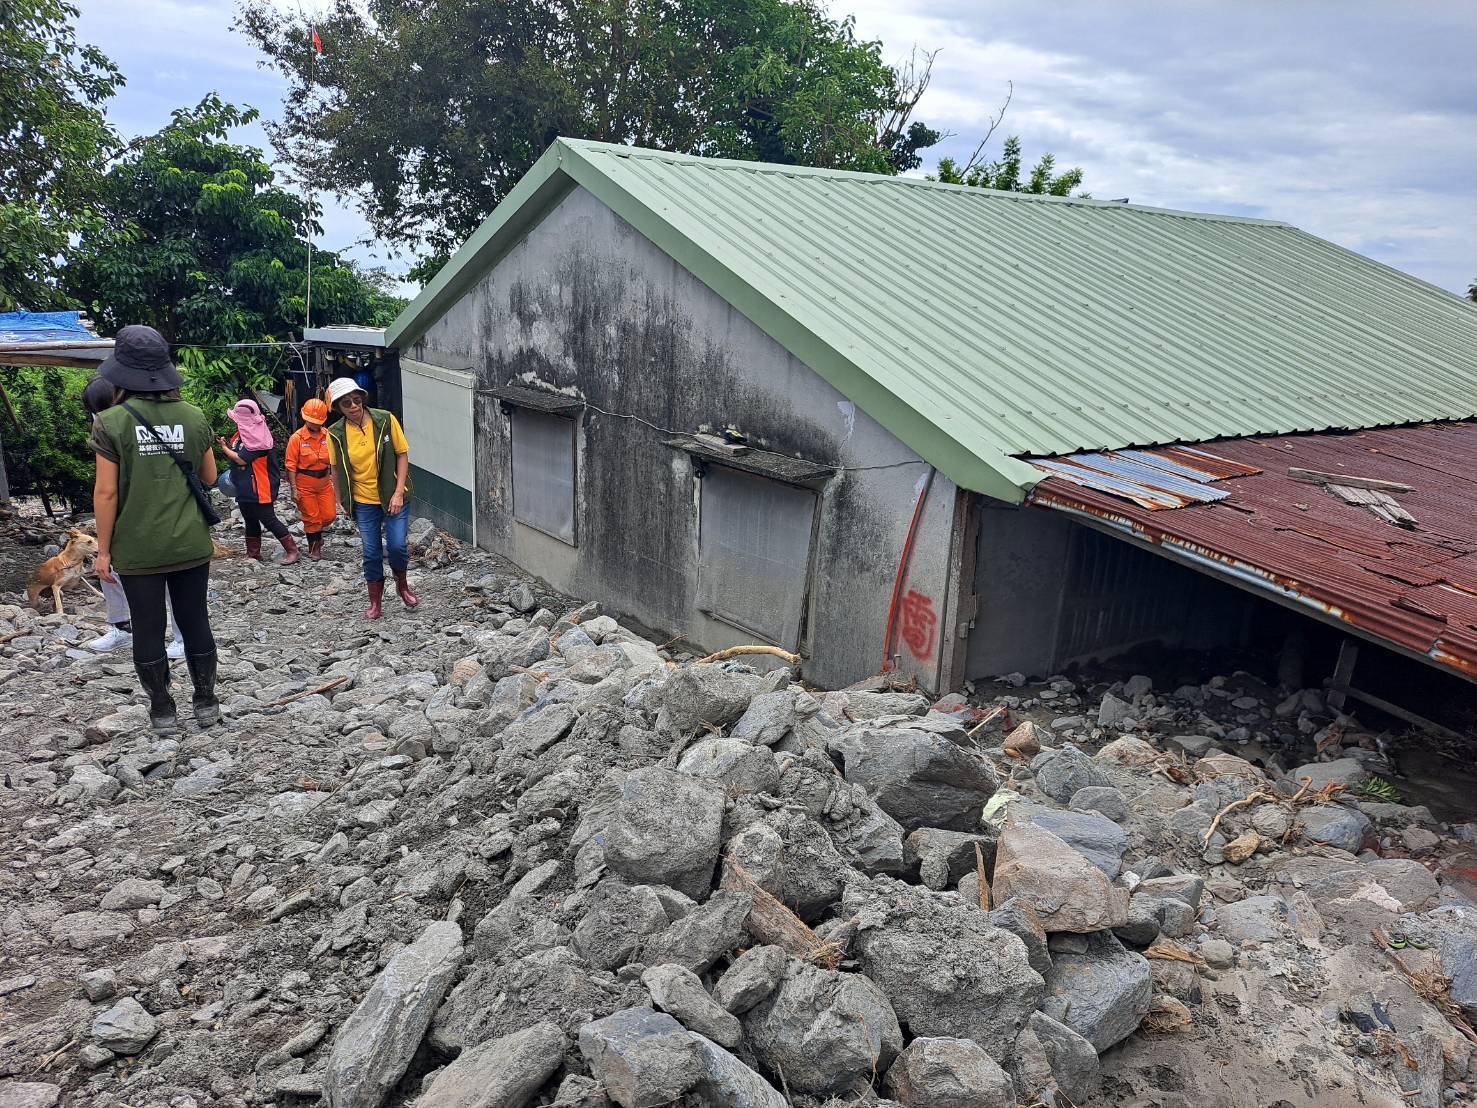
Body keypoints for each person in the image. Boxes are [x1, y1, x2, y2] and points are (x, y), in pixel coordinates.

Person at [90, 324, 221, 734]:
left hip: (137, 547)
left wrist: (104, 551)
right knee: (195, 619)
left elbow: (106, 493)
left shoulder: (109, 422)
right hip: (189, 542)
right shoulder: (193, 416)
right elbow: (211, 476)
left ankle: (163, 710)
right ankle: (206, 703)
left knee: (148, 627)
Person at [81, 376, 184, 658]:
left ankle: (181, 634)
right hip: (123, 516)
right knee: (110, 571)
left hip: (156, 512)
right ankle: (123, 627)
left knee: (168, 573)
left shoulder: (139, 425)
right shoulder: (107, 429)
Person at [324, 376, 418, 619]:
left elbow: (402, 454)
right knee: (371, 551)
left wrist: (398, 492)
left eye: (356, 400)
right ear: (338, 408)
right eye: (346, 403)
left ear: (363, 399)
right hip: (363, 500)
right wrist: (340, 499)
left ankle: (402, 585)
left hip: (392, 495)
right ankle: (375, 602)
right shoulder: (335, 433)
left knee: (397, 545)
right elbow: (335, 469)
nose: (353, 406)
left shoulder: (385, 420)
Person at [218, 398, 300, 565]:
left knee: (268, 518)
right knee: (249, 518)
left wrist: (225, 449)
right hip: (244, 486)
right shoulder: (242, 433)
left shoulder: (259, 438)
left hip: (260, 487)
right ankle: (253, 554)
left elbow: (242, 459)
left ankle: (293, 550)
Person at [284, 398, 336, 560]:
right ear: (305, 418)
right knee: (312, 518)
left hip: (325, 483)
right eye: (311, 421)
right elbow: (290, 465)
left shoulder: (328, 436)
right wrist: (294, 488)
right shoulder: (297, 438)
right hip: (304, 484)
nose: (314, 424)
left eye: (317, 421)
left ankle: (317, 535)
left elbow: (335, 462)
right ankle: (314, 548)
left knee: (329, 515)